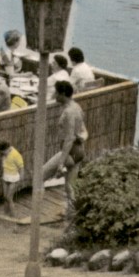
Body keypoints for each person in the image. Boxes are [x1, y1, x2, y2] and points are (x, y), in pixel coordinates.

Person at [41, 81, 88, 224]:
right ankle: (73, 215)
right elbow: (83, 130)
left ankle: (37, 210)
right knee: (70, 187)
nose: (54, 95)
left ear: (62, 94)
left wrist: (61, 163)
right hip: (79, 151)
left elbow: (69, 139)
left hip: (70, 151)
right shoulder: (76, 106)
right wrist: (82, 139)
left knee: (40, 175)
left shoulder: (68, 112)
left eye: (56, 92)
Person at [0, 140, 25, 216]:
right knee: (5, 197)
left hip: (14, 179)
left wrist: (20, 180)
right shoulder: (3, 155)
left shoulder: (16, 155)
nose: (0, 154)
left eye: (1, 152)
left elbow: (21, 168)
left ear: (6, 149)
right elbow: (4, 165)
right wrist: (0, 174)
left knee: (9, 198)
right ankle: (6, 214)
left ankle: (13, 216)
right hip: (5, 178)